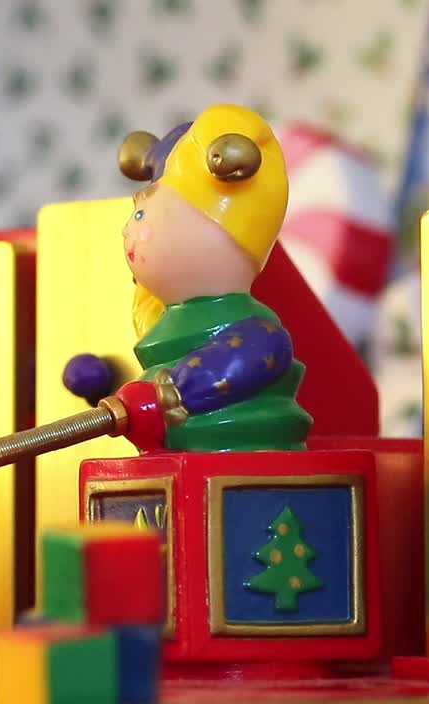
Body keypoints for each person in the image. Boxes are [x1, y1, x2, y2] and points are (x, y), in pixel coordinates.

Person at [117, 104, 313, 452]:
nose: (127, 229)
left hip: (244, 463)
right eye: (135, 213)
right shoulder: (161, 327)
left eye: (143, 214)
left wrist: (173, 392)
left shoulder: (251, 325)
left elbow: (266, 347)